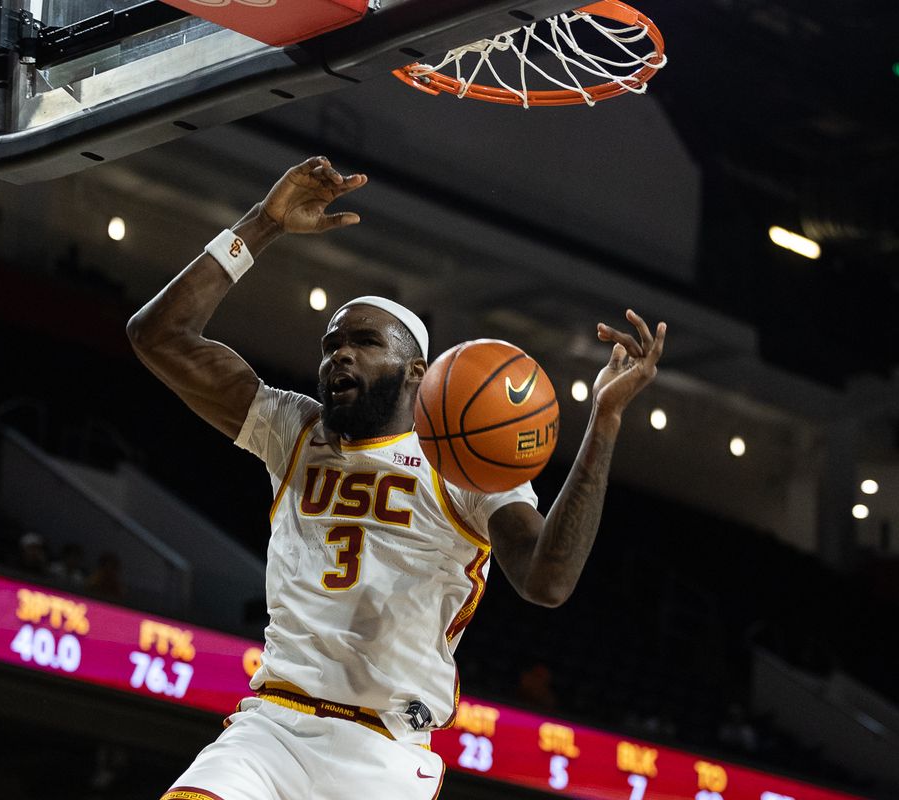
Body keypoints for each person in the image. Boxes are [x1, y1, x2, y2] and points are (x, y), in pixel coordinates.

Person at [127, 156, 666, 800]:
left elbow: (548, 581)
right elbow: (158, 336)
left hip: (383, 753)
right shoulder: (292, 428)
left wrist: (604, 421)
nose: (339, 354)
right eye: (330, 344)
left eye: (362, 342)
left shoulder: (468, 469)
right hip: (271, 729)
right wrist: (263, 224)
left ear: (418, 374)